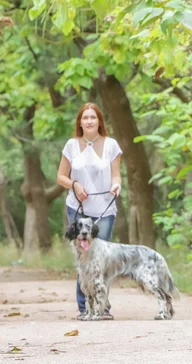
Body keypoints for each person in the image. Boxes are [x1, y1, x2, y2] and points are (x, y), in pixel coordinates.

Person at [57, 102, 122, 321]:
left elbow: (116, 175)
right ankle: (85, 306)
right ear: (80, 122)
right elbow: (61, 177)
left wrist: (116, 185)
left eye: (93, 117)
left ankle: (102, 306)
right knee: (83, 257)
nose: (89, 121)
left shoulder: (111, 145)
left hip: (104, 209)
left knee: (101, 259)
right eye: (85, 118)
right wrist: (74, 185)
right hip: (78, 208)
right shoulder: (71, 145)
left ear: (100, 121)